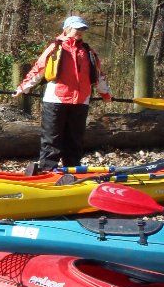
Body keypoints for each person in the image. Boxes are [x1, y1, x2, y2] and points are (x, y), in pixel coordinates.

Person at [14, 15, 112, 172]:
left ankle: (72, 171)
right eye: (76, 28)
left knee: (75, 140)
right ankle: (47, 171)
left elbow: (99, 75)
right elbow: (39, 69)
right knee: (51, 140)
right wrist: (23, 87)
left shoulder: (88, 51)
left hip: (80, 102)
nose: (80, 32)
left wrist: (105, 94)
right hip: (55, 101)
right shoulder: (55, 48)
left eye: (82, 29)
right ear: (67, 29)